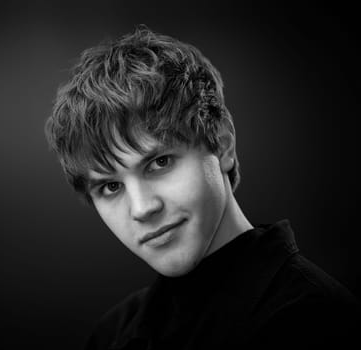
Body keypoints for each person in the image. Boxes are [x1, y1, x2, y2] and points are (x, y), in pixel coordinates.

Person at [44, 26, 359, 349]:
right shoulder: (112, 335)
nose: (142, 209)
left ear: (222, 143)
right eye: (110, 186)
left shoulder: (316, 318)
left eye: (160, 162)